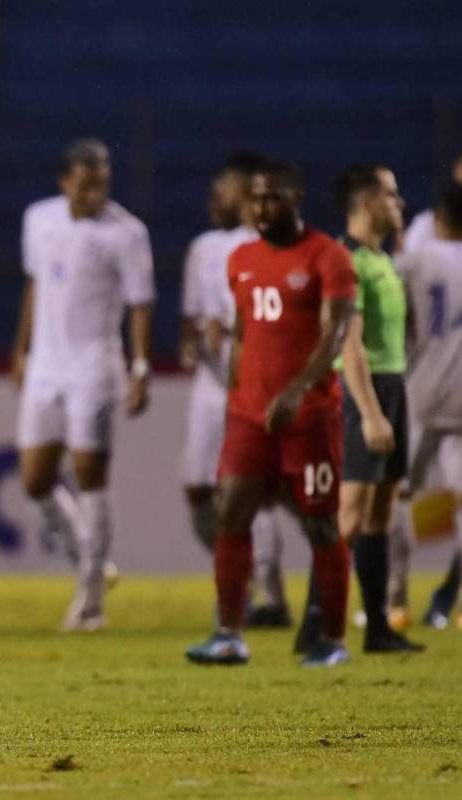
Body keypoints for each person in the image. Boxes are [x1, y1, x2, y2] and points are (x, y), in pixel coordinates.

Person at [185, 158, 356, 667]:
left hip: (310, 417)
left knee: (321, 526)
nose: (262, 207)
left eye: (273, 197)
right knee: (230, 514)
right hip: (249, 417)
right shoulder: (240, 258)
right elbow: (241, 332)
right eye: (256, 198)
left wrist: (298, 390)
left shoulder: (328, 257)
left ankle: (332, 639)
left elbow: (337, 332)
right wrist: (239, 391)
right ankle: (229, 633)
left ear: (296, 197)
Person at [10, 138, 154, 632]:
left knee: (90, 473)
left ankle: (91, 598)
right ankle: (92, 563)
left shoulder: (127, 233)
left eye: (103, 183)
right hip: (46, 366)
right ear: (65, 181)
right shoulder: (39, 218)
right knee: (35, 480)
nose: (96, 192)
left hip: (95, 366)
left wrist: (139, 368)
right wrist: (22, 349)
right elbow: (35, 285)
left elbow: (140, 303)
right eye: (87, 183)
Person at [179, 151, 294, 626]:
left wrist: (231, 333)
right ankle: (243, 575)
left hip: (253, 380)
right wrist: (192, 343)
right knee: (199, 489)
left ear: (247, 195)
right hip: (210, 381)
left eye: (222, 192)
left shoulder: (271, 247)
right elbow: (191, 316)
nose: (213, 201)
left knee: (251, 489)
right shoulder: (204, 247)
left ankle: (267, 597)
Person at [326, 164, 422, 652]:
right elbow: (353, 345)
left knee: (381, 510)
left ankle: (378, 626)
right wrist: (369, 411)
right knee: (350, 509)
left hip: (393, 385)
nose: (399, 202)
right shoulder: (347, 262)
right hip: (362, 389)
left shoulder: (380, 258)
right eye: (390, 194)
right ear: (365, 201)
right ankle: (321, 626)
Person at [393, 184, 462, 629]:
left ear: (437, 217)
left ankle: (393, 599)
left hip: (418, 395)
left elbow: (393, 321)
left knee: (395, 495)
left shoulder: (416, 261)